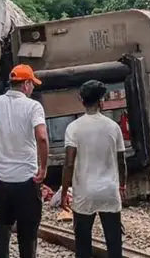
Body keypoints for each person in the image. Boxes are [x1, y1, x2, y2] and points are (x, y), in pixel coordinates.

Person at [0, 64, 49, 258]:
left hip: (2, 183)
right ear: (26, 84)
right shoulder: (33, 106)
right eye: (32, 85)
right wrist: (44, 167)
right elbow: (42, 137)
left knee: (2, 230)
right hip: (27, 183)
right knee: (28, 234)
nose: (32, 89)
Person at [61, 80, 126, 258]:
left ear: (82, 101)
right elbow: (122, 161)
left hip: (85, 193)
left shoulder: (73, 128)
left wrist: (64, 191)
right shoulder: (113, 127)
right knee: (114, 245)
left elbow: (68, 163)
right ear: (101, 101)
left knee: (83, 246)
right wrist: (122, 185)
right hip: (109, 191)